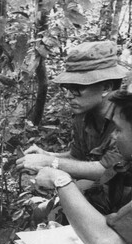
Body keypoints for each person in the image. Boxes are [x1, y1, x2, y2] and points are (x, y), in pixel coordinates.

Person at [33, 71, 132, 244]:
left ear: (106, 87)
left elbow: (104, 243)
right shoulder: (84, 118)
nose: (113, 136)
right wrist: (48, 156)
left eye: (118, 130)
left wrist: (58, 177)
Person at [16, 41, 129, 184]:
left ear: (106, 87)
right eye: (67, 88)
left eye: (76, 88)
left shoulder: (126, 117)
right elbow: (78, 157)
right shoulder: (83, 115)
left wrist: (51, 161)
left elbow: (108, 169)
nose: (69, 95)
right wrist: (48, 155)